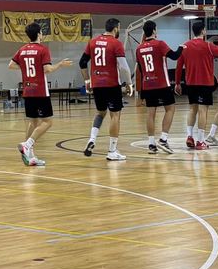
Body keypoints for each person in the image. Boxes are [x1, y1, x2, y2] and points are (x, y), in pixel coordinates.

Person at [10, 22, 70, 167]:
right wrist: (60, 64)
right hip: (40, 91)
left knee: (33, 122)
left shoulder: (22, 49)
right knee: (48, 122)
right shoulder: (42, 49)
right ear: (38, 34)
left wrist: (25, 68)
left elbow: (11, 65)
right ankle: (27, 144)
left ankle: (29, 155)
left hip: (27, 90)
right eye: (42, 32)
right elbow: (47, 69)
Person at [80, 17, 131, 162]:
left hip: (97, 84)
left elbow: (82, 62)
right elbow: (123, 67)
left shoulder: (92, 42)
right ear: (115, 29)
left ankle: (92, 139)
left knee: (100, 113)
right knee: (115, 116)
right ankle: (112, 151)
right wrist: (129, 83)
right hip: (112, 84)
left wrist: (87, 80)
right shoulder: (116, 43)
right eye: (119, 28)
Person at [175, 19, 218, 150]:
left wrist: (177, 83)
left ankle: (189, 136)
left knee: (192, 109)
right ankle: (200, 141)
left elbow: (179, 66)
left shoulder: (184, 46)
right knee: (203, 111)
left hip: (190, 83)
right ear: (203, 31)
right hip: (205, 83)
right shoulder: (208, 46)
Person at [134, 19, 177, 154]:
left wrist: (141, 90)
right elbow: (174, 56)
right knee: (170, 109)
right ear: (154, 30)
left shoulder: (139, 48)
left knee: (150, 113)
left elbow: (140, 70)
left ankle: (151, 144)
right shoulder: (160, 44)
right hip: (162, 83)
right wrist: (182, 47)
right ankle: (163, 139)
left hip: (147, 84)